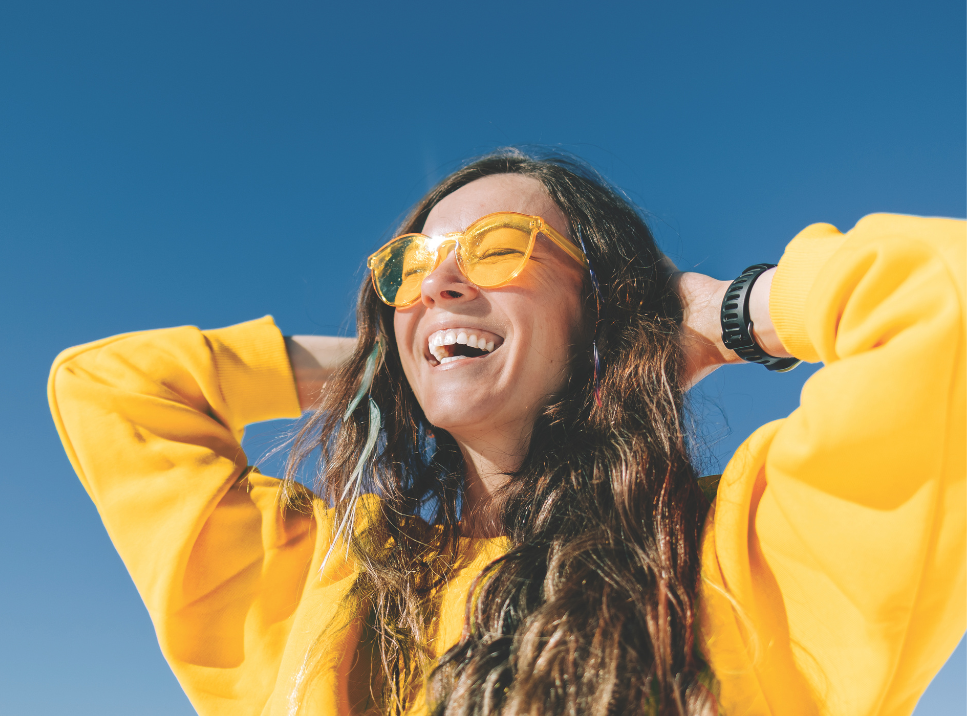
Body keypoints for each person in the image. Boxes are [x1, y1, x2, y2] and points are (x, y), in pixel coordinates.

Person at [48, 150, 965, 716]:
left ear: (599, 313)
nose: (439, 283)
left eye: (498, 250)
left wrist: (723, 313)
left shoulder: (744, 562)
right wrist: (383, 360)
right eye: (411, 268)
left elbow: (948, 303)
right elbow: (108, 392)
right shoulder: (328, 588)